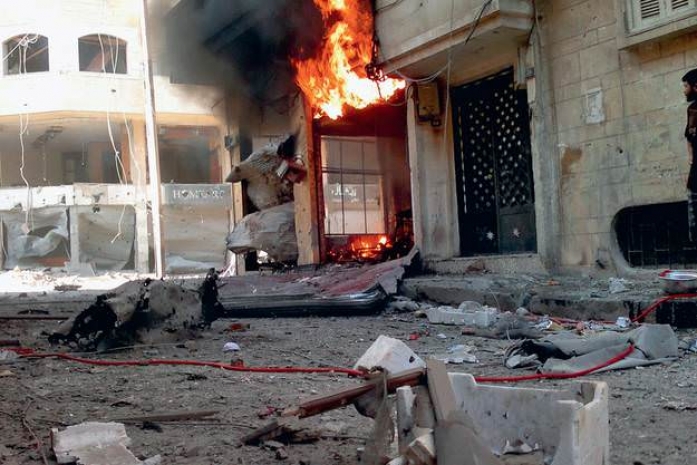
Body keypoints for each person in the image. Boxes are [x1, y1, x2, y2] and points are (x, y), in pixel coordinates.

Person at [683, 69, 697, 241]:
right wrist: (691, 157)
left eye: (686, 86)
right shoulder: (692, 109)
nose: (684, 90)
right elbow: (688, 136)